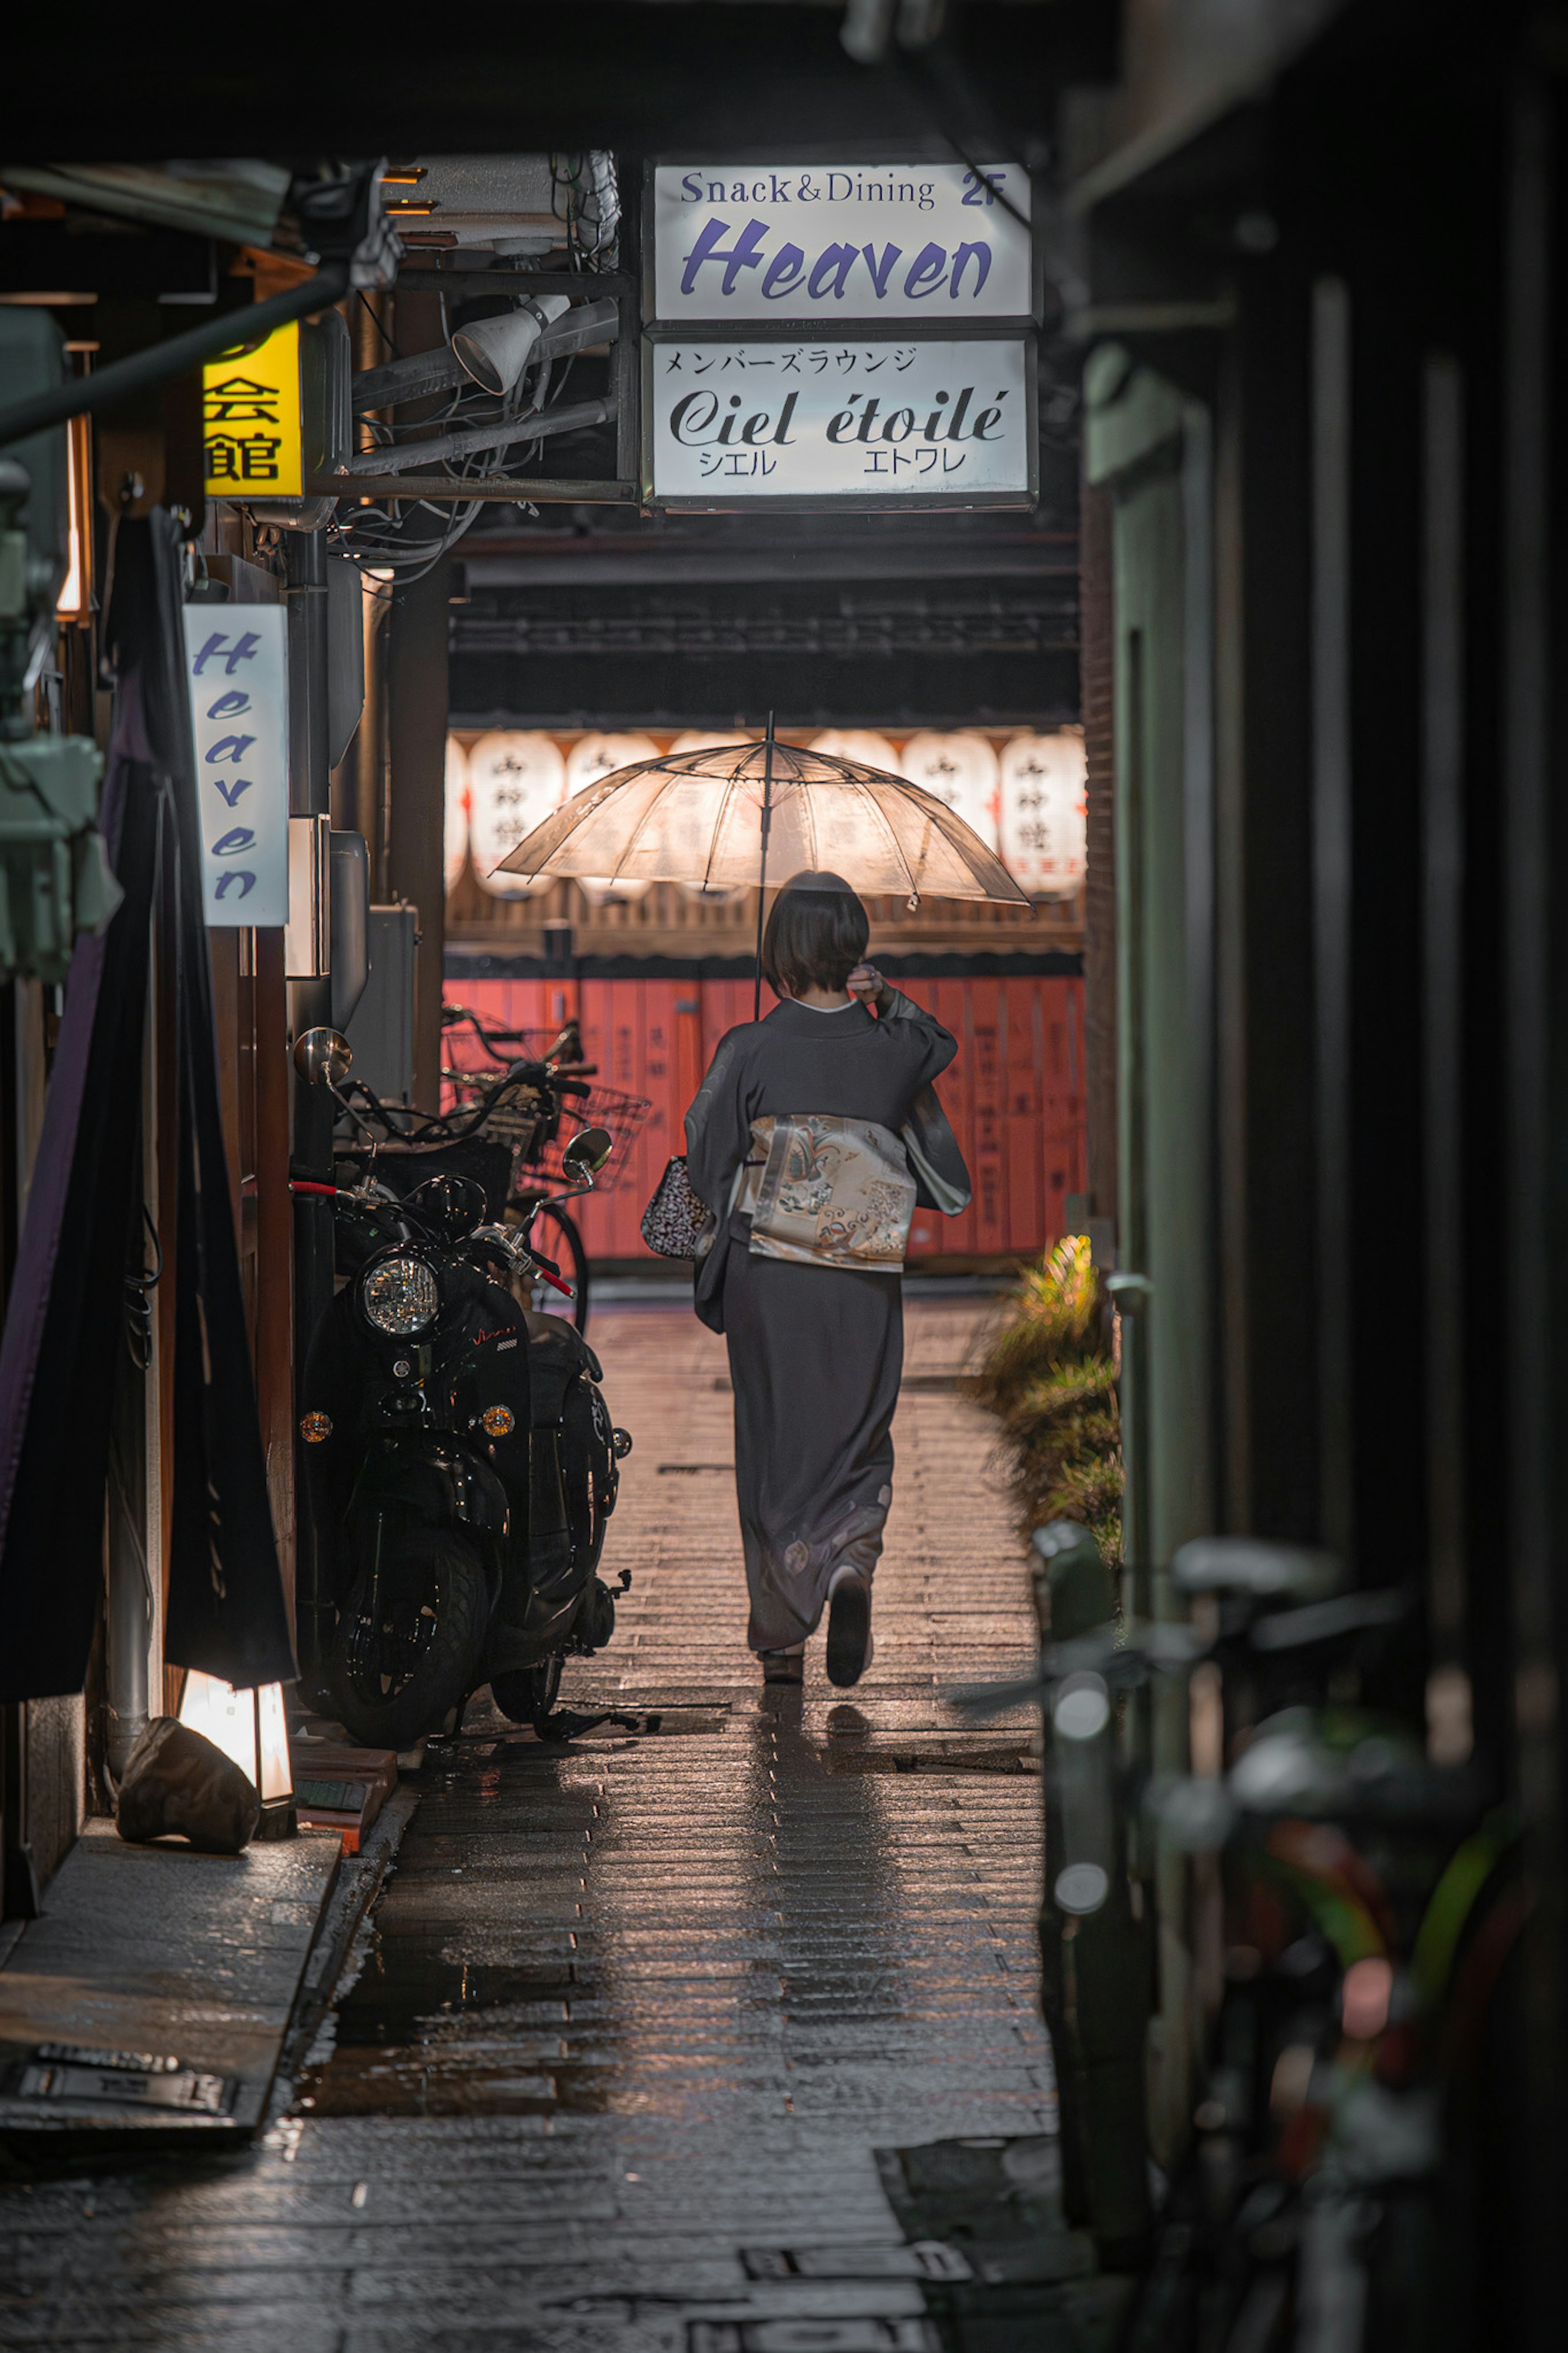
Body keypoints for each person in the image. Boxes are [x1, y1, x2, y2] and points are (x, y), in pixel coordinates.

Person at [684, 870, 967, 1687]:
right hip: (864, 1278)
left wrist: (696, 1254)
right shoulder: (893, 1048)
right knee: (858, 1433)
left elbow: (708, 1159)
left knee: (774, 1444)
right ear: (852, 948)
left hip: (772, 1279)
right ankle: (850, 1564)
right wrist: (886, 999)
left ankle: (781, 1638)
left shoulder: (751, 1047)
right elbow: (937, 1045)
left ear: (777, 949)